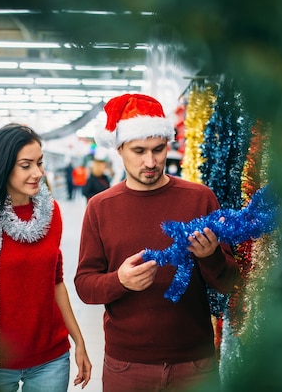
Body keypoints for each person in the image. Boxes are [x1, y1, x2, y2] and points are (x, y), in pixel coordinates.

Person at [74, 93, 241, 392]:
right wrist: (119, 281)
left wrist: (210, 255)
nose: (150, 161)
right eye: (139, 150)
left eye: (158, 149)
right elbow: (85, 285)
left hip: (194, 364)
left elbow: (228, 281)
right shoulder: (100, 207)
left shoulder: (200, 198)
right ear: (120, 148)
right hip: (127, 366)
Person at [0, 123, 92, 391]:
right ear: (3, 167)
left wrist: (78, 340)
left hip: (51, 358)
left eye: (39, 163)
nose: (38, 173)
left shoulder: (51, 214)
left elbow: (56, 281)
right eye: (26, 165)